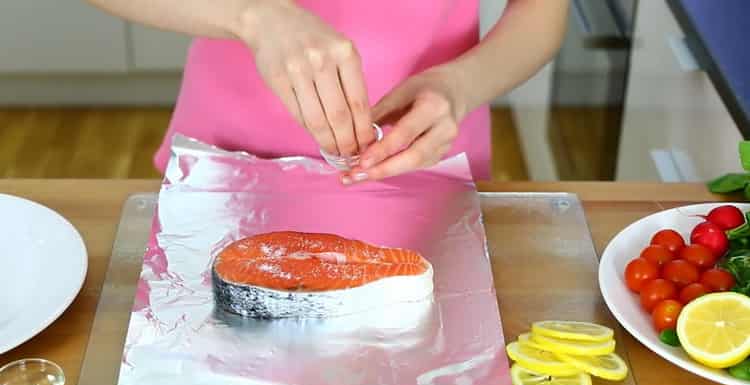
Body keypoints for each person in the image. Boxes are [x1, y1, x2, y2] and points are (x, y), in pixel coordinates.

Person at [85, 0, 569, 184]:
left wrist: (460, 85)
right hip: (231, 158)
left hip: (424, 153)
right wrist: (252, 15)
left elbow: (541, 14)